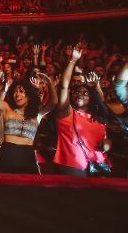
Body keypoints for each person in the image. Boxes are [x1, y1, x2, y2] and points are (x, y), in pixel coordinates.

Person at [52, 46, 111, 176]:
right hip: (73, 165)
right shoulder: (66, 113)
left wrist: (107, 144)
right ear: (71, 96)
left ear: (91, 99)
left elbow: (105, 138)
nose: (80, 94)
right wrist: (73, 60)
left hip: (99, 164)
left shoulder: (98, 117)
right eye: (77, 92)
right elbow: (63, 87)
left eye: (85, 93)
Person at [0, 71, 57, 173]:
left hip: (28, 154)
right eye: (15, 92)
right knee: (2, 186)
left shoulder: (37, 114)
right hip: (7, 153)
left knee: (29, 187)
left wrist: (49, 83)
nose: (17, 94)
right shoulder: (7, 109)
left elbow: (54, 102)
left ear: (29, 95)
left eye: (21, 91)